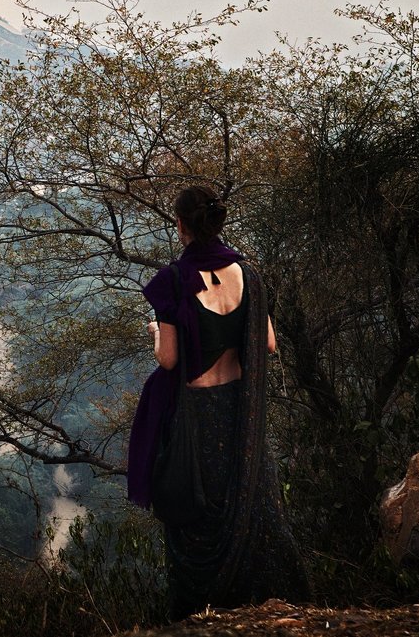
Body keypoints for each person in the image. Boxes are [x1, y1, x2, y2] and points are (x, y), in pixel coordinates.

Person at [127, 185, 311, 619]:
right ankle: (263, 609)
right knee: (250, 509)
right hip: (240, 416)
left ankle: (202, 616)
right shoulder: (248, 273)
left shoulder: (173, 281)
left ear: (180, 226)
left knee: (193, 515)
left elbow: (169, 359)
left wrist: (156, 332)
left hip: (198, 418)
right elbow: (267, 343)